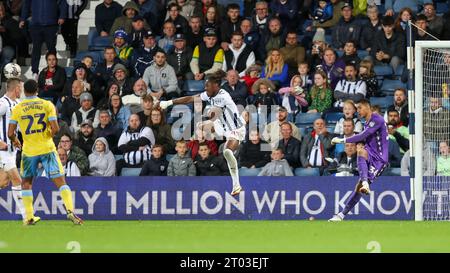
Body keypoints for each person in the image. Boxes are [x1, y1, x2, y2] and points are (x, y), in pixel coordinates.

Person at [8, 79, 82, 225]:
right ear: (37, 90)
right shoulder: (47, 105)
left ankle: (29, 217)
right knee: (61, 182)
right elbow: (55, 129)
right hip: (47, 148)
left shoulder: (18, 108)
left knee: (26, 183)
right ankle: (70, 211)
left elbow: (10, 133)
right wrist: (47, 134)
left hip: (29, 151)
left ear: (24, 91)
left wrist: (16, 141)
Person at [159, 71, 245, 195]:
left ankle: (236, 185)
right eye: (205, 86)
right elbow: (190, 98)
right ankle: (196, 146)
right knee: (200, 125)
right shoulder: (210, 94)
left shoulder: (223, 96)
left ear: (216, 85)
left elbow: (214, 113)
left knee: (227, 152)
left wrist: (209, 114)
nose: (205, 88)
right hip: (222, 125)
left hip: (236, 128)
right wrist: (169, 102)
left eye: (207, 86)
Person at [329, 99, 389, 221]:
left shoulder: (376, 119)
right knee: (360, 151)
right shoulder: (367, 123)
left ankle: (342, 214)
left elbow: (362, 136)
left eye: (360, 108)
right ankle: (341, 215)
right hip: (371, 153)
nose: (358, 111)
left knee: (359, 187)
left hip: (380, 160)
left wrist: (343, 140)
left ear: (368, 107)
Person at [19, 0, 68, 79]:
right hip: (35, 25)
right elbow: (26, 5)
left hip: (51, 25)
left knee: (51, 48)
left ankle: (53, 70)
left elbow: (63, 3)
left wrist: (62, 16)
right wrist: (22, 19)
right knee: (36, 48)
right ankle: (35, 72)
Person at [0, 78, 26, 222]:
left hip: (11, 151)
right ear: (16, 89)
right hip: (2, 151)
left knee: (3, 182)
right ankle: (27, 217)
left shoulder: (17, 104)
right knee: (17, 180)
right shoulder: (3, 104)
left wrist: (16, 140)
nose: (21, 91)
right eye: (20, 89)